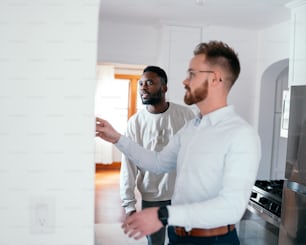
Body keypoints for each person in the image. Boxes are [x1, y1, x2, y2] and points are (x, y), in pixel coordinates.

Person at [96, 40, 261, 245]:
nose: (184, 81)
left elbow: (232, 208)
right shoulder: (191, 128)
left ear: (216, 79)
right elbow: (157, 163)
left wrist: (163, 215)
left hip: (214, 240)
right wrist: (117, 138)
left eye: (192, 74)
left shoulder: (241, 134)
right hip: (178, 237)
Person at [120, 65, 195, 245]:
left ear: (164, 87)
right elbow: (128, 165)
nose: (143, 87)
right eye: (141, 84)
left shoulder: (185, 115)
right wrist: (129, 204)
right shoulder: (135, 123)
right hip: (151, 197)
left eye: (150, 83)